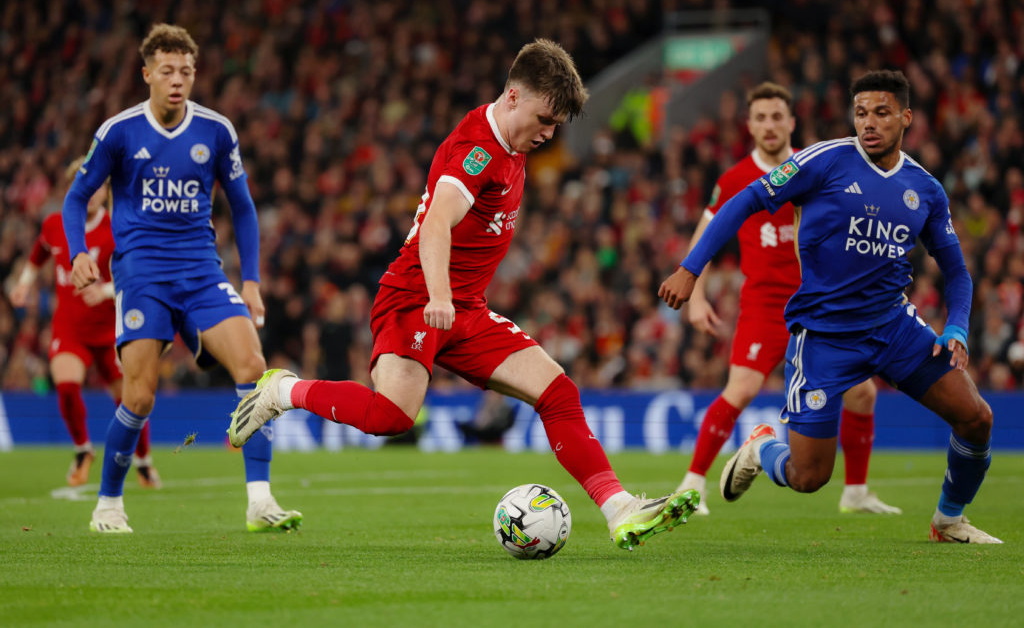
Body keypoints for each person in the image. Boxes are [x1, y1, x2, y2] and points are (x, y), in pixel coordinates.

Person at [229, 39, 698, 550]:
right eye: (545, 119)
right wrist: (438, 296)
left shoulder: (515, 146)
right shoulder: (476, 150)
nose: (548, 133)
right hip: (416, 298)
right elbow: (435, 224)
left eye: (556, 126)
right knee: (392, 416)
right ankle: (283, 391)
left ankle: (619, 509)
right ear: (513, 96)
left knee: (557, 391)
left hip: (464, 308)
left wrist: (454, 301)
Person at [659, 70, 1000, 544]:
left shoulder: (925, 189)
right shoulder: (823, 161)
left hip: (894, 328)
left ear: (906, 117)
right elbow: (745, 202)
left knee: (977, 416)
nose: (869, 123)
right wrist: (691, 269)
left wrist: (957, 327)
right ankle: (761, 448)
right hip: (824, 337)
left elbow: (958, 272)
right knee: (808, 477)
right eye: (861, 113)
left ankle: (948, 519)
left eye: (881, 112)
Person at [63, 23, 300, 533]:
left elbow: (243, 207)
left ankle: (259, 500)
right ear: (146, 73)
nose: (177, 80)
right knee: (140, 396)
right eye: (167, 71)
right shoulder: (118, 131)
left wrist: (252, 280)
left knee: (253, 366)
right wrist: (79, 252)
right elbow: (76, 197)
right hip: (141, 273)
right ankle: (108, 503)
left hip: (200, 271)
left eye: (186, 71)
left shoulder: (216, 131)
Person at [678, 82, 899, 516]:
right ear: (749, 126)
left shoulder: (816, 166)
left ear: (792, 121)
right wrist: (696, 297)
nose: (770, 125)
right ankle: (692, 485)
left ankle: (856, 492)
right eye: (760, 118)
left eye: (777, 116)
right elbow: (705, 234)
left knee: (864, 395)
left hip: (820, 306)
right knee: (741, 387)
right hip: (763, 306)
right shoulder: (734, 179)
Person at [10, 157, 160, 489]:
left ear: (107, 191)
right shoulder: (54, 225)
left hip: (113, 330)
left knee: (131, 399)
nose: (92, 192)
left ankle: (144, 461)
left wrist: (106, 291)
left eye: (98, 186)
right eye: (85, 186)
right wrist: (24, 282)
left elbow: (140, 274)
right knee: (65, 385)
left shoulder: (120, 227)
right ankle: (82, 451)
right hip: (71, 328)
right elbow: (37, 257)